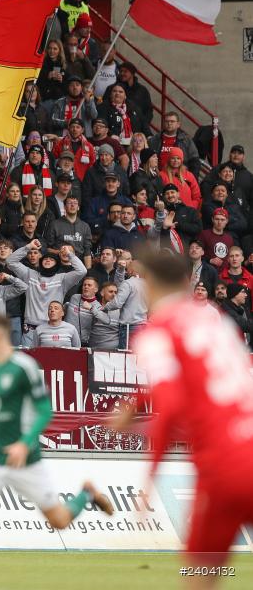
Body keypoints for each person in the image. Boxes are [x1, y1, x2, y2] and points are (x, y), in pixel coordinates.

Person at [0, 312, 112, 588]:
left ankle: (87, 494)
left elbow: (45, 410)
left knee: (59, 520)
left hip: (26, 459)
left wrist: (25, 442)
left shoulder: (24, 366)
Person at [118, 248, 253, 588]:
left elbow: (171, 403)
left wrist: (150, 475)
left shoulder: (156, 332)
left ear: (145, 283)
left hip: (227, 465)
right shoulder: (215, 322)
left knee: (200, 574)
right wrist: (136, 406)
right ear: (185, 281)